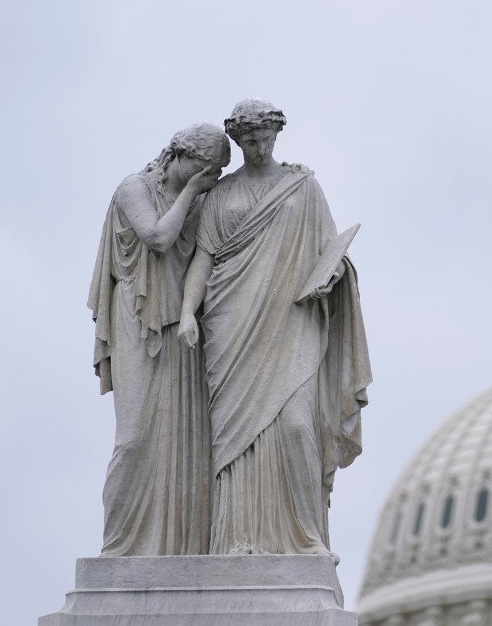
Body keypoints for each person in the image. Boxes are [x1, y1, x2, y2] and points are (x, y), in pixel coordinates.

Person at [179, 99, 371, 556]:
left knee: (296, 427)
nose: (259, 146)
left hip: (291, 320)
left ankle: (305, 538)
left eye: (265, 138)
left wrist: (334, 274)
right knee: (234, 439)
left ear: (277, 135)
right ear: (238, 142)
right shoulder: (220, 195)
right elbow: (203, 260)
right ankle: (236, 540)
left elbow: (331, 250)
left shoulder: (303, 188)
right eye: (249, 141)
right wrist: (188, 311)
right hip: (231, 324)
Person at [88, 123, 231, 556]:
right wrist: (192, 192)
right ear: (178, 156)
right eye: (205, 168)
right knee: (133, 438)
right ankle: (119, 547)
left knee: (184, 441)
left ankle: (181, 548)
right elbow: (157, 238)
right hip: (137, 317)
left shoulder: (205, 199)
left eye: (218, 172)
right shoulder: (135, 187)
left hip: (183, 326)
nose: (211, 179)